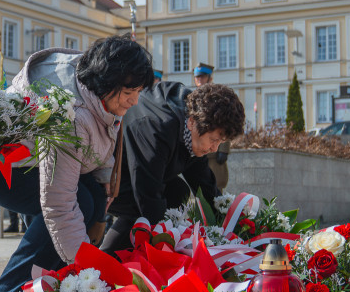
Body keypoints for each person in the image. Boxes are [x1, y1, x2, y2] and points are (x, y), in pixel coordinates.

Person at [0, 35, 154, 292]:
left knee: (93, 197)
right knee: (79, 203)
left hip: (37, 162)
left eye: (138, 92)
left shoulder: (103, 99)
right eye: (129, 93)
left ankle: (49, 281)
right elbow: (59, 204)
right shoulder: (71, 114)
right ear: (107, 82)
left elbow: (103, 143)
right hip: (0, 166)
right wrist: (87, 273)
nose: (135, 101)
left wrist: (103, 194)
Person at [100, 82, 246, 254]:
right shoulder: (157, 127)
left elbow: (204, 183)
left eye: (220, 142)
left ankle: (114, 256)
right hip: (107, 173)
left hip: (140, 171)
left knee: (177, 191)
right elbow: (147, 193)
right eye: (214, 140)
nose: (215, 149)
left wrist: (231, 227)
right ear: (192, 123)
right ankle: (107, 260)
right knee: (144, 209)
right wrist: (168, 245)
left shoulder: (198, 119)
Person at [192, 62, 231, 190]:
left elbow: (225, 123)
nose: (199, 80)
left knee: (215, 189)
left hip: (213, 154)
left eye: (202, 77)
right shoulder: (192, 98)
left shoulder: (218, 98)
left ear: (210, 78)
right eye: (197, 77)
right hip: (196, 153)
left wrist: (223, 149)